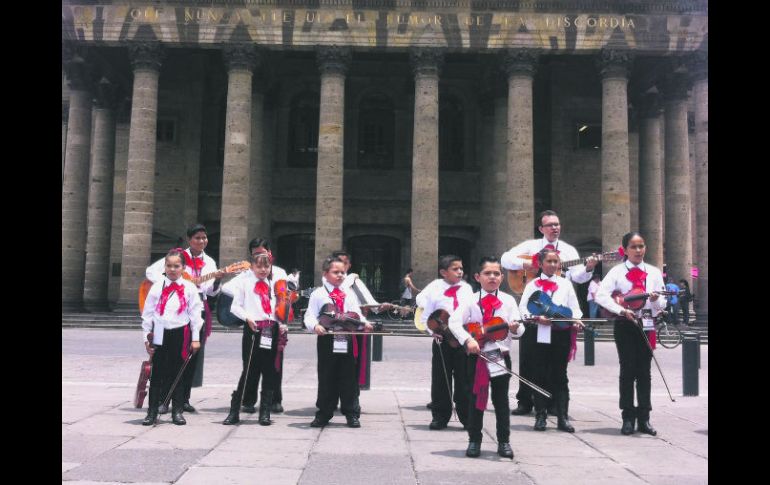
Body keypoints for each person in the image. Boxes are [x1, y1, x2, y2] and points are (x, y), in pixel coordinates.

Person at [501, 210, 597, 416]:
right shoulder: (531, 246)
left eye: (557, 224)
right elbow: (505, 259)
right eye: (550, 224)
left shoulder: (569, 250)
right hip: (535, 310)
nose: (555, 227)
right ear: (541, 229)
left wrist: (588, 268)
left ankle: (553, 404)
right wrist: (528, 264)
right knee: (528, 359)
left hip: (557, 312)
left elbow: (578, 277)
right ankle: (525, 401)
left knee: (555, 361)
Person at [448, 256, 524, 458]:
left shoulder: (508, 301)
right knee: (475, 399)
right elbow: (454, 323)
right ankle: (474, 440)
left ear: (502, 277)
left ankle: (504, 441)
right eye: (487, 273)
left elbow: (519, 330)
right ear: (477, 277)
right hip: (477, 356)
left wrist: (516, 327)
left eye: (497, 273)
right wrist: (468, 340)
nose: (492, 277)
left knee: (501, 401)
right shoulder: (470, 300)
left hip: (500, 356)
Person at [145, 223, 224, 414]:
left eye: (204, 238)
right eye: (197, 238)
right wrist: (173, 282)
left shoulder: (210, 262)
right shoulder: (178, 256)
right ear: (189, 239)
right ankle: (163, 397)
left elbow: (211, 292)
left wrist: (218, 279)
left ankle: (183, 399)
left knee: (190, 357)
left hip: (196, 308)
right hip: (171, 311)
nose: (202, 241)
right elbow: (150, 272)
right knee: (165, 357)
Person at [595, 231, 666, 436]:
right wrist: (621, 310)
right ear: (625, 250)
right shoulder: (617, 272)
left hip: (646, 323)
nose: (638, 250)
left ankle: (644, 417)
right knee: (627, 371)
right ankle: (627, 416)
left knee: (644, 372)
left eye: (641, 246)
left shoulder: (653, 272)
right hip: (625, 325)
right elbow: (601, 295)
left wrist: (654, 300)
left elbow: (662, 302)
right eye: (634, 247)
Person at [519, 248, 584, 433]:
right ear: (540, 264)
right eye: (549, 261)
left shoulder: (565, 284)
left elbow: (575, 308)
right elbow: (523, 308)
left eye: (556, 261)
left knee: (560, 375)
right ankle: (540, 415)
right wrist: (535, 317)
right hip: (539, 332)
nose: (553, 265)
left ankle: (563, 417)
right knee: (539, 374)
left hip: (560, 333)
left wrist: (577, 319)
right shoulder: (532, 285)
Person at [221, 238, 289, 415]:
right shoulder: (245, 276)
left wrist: (282, 323)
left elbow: (283, 300)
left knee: (273, 366)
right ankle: (248, 400)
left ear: (269, 253)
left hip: (272, 327)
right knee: (250, 365)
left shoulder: (279, 273)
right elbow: (227, 290)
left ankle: (274, 401)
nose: (261, 264)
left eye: (262, 254)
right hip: (252, 326)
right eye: (255, 255)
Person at [304, 256, 372, 428]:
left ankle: (352, 413)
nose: (340, 275)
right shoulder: (318, 294)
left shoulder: (348, 293)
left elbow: (356, 313)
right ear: (325, 274)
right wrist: (315, 326)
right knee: (327, 376)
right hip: (327, 339)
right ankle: (324, 413)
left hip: (347, 338)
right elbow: (309, 315)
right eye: (336, 272)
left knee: (349, 377)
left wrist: (365, 323)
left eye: (343, 272)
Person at [141, 249, 204, 426]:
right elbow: (147, 314)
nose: (172, 269)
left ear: (183, 268)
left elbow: (195, 316)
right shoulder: (157, 286)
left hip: (180, 332)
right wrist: (146, 338)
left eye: (176, 266)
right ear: (165, 267)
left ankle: (177, 411)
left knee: (178, 371)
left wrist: (195, 338)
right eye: (169, 266)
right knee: (157, 373)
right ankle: (152, 411)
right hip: (160, 332)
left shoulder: (190, 287)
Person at [415, 255, 474, 430]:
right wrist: (432, 332)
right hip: (443, 339)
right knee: (441, 378)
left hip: (462, 338)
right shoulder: (435, 290)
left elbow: (471, 312)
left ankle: (466, 416)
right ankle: (440, 415)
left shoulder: (467, 289)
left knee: (464, 379)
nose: (460, 272)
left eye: (461, 268)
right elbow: (426, 317)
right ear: (443, 272)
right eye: (455, 269)